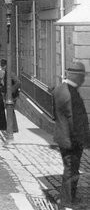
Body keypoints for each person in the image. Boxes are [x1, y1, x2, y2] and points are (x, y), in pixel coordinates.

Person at [53, 62, 90, 209]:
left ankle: (66, 197)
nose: (84, 80)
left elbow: (55, 114)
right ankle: (66, 202)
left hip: (62, 136)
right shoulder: (72, 94)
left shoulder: (58, 90)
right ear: (76, 76)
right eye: (83, 77)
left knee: (68, 168)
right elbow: (77, 122)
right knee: (71, 171)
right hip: (71, 140)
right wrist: (85, 141)